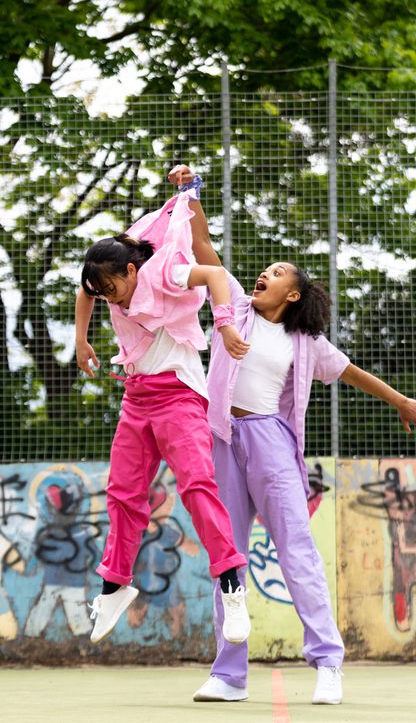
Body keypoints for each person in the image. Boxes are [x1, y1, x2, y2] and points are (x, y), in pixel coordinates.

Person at [169, 166, 416, 706]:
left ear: (294, 292)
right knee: (226, 558)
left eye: (277, 271)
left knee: (296, 552)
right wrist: (186, 194)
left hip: (271, 443)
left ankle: (327, 663)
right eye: (264, 268)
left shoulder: (307, 342)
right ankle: (230, 675)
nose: (264, 273)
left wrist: (402, 401)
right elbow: (202, 242)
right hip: (221, 437)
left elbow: (351, 373)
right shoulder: (232, 304)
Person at [75, 179, 251, 646]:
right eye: (102, 291)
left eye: (114, 287)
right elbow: (87, 292)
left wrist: (225, 325)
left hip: (178, 396)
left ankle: (232, 584)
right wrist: (81, 338)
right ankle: (114, 586)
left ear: (134, 270)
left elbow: (214, 274)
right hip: (137, 397)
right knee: (122, 494)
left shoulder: (166, 273)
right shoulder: (106, 286)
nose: (111, 298)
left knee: (196, 486)